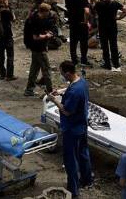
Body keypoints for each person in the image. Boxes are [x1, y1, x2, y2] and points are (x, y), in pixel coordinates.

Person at [48, 61, 92, 199]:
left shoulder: (74, 92)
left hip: (71, 129)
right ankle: (86, 180)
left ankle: (73, 189)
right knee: (83, 153)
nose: (61, 76)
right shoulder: (81, 82)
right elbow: (70, 89)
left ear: (67, 73)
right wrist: (61, 91)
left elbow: (67, 111)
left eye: (62, 73)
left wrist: (54, 100)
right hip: (82, 125)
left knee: (70, 160)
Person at [24, 3, 54, 97]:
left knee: (34, 69)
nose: (49, 13)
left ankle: (29, 90)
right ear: (44, 11)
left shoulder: (34, 16)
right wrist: (47, 35)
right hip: (39, 48)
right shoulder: (36, 20)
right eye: (48, 11)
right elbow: (36, 37)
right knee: (46, 69)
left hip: (34, 47)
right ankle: (50, 93)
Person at [94, 0, 126, 71]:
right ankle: (116, 64)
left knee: (104, 46)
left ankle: (107, 64)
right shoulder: (115, 3)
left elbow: (94, 13)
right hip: (112, 27)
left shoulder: (99, 4)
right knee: (114, 45)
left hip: (102, 27)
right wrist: (119, 18)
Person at [0, 0, 16, 80]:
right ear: (5, 1)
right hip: (7, 36)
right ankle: (9, 75)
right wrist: (10, 8)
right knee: (10, 56)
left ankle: (2, 74)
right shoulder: (7, 11)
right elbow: (14, 19)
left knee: (1, 56)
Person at [65, 0, 90, 67]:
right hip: (81, 23)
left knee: (73, 43)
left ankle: (74, 60)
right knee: (83, 43)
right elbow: (86, 11)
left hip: (73, 23)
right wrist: (86, 21)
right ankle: (83, 60)